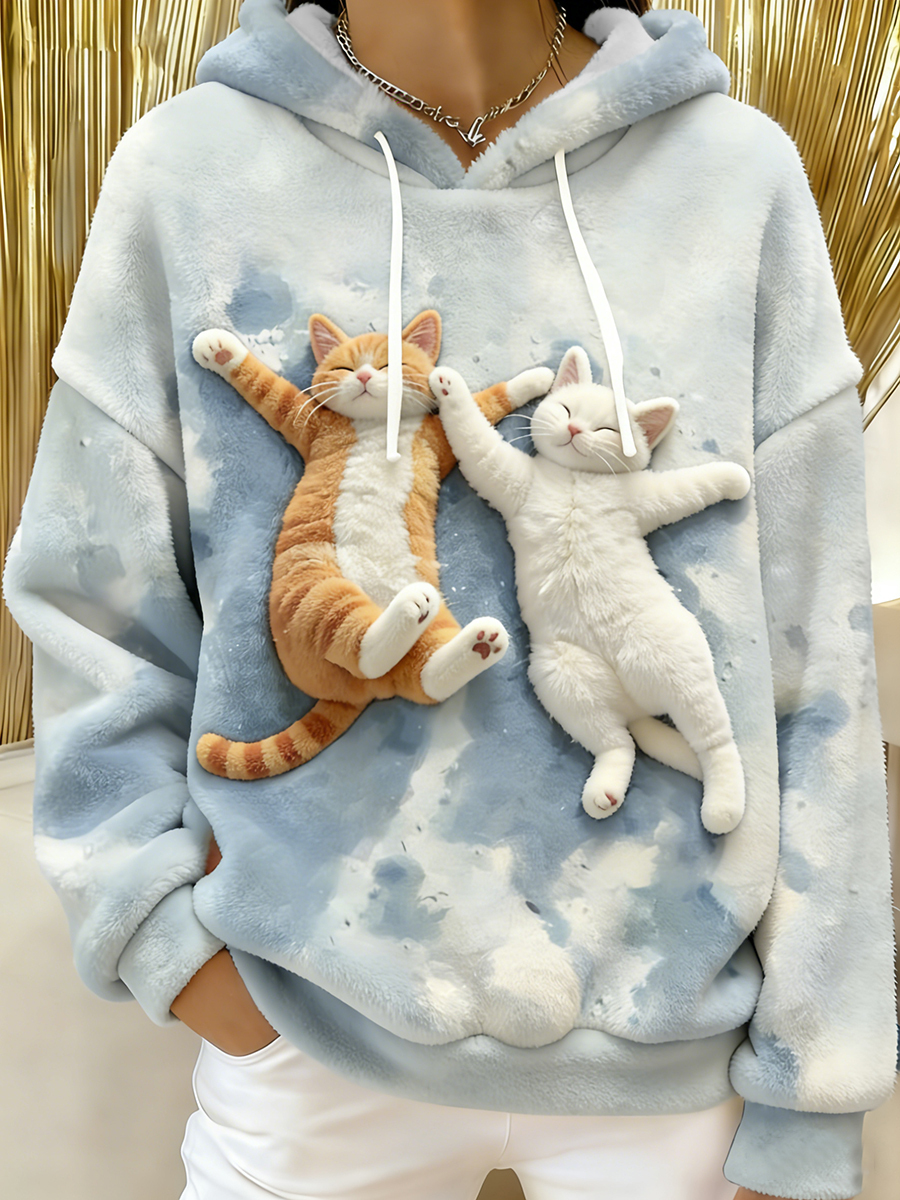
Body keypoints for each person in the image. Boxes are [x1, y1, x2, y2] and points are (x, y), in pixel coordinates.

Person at [4, 1, 897, 1198]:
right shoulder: (192, 169)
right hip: (307, 1042)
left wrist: (812, 1102)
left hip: (678, 1060)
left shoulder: (733, 178)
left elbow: (818, 665)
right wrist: (167, 945)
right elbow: (92, 607)